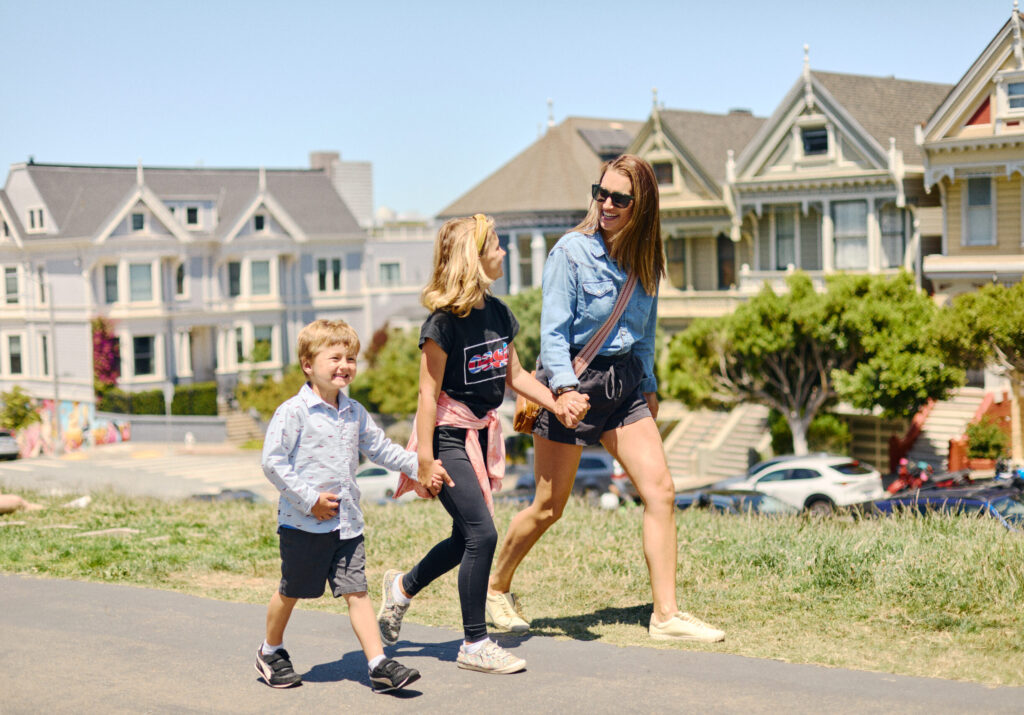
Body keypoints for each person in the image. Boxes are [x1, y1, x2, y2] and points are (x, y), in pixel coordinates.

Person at [487, 155, 727, 643]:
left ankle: (665, 615)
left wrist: (651, 386)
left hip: (624, 386)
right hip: (571, 382)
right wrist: (565, 392)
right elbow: (552, 334)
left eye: (620, 197)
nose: (607, 204)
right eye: (602, 193)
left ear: (642, 205)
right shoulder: (570, 253)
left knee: (660, 491)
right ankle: (495, 588)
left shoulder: (647, 261)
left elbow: (644, 334)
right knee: (550, 506)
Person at [376, 214, 589, 674]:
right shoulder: (442, 325)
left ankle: (401, 589)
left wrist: (558, 403)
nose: (504, 252)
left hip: (478, 431)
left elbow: (514, 377)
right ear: (473, 258)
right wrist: (425, 461)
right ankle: (474, 643)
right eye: (496, 245)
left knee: (464, 538)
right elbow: (426, 396)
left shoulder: (498, 313)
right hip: (447, 436)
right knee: (483, 534)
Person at [257, 319, 448, 692]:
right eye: (335, 357)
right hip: (303, 525)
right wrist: (310, 500)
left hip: (347, 525)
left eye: (351, 358)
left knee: (357, 592)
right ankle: (270, 650)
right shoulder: (293, 412)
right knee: (291, 590)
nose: (345, 365)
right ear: (308, 365)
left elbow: (379, 449)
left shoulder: (354, 412)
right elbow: (272, 462)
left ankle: (378, 664)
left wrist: (419, 465)